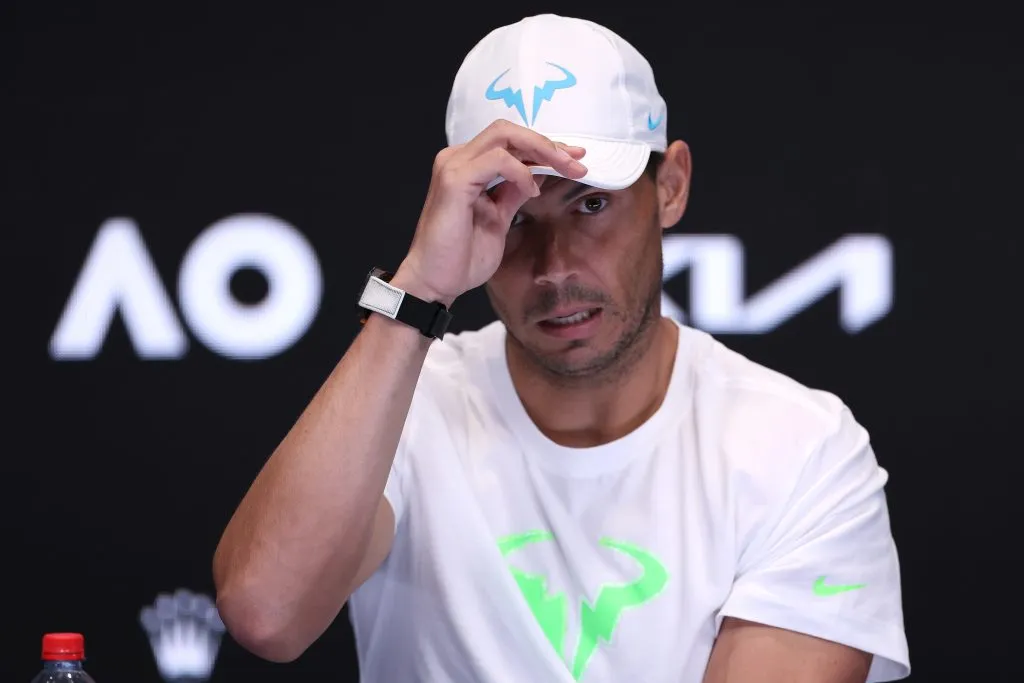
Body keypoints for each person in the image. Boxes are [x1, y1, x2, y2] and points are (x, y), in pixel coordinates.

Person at [212, 13, 910, 683]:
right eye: (512, 214)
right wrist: (420, 285)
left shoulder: (802, 450)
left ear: (670, 186)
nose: (554, 267)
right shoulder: (404, 407)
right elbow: (267, 613)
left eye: (591, 204)